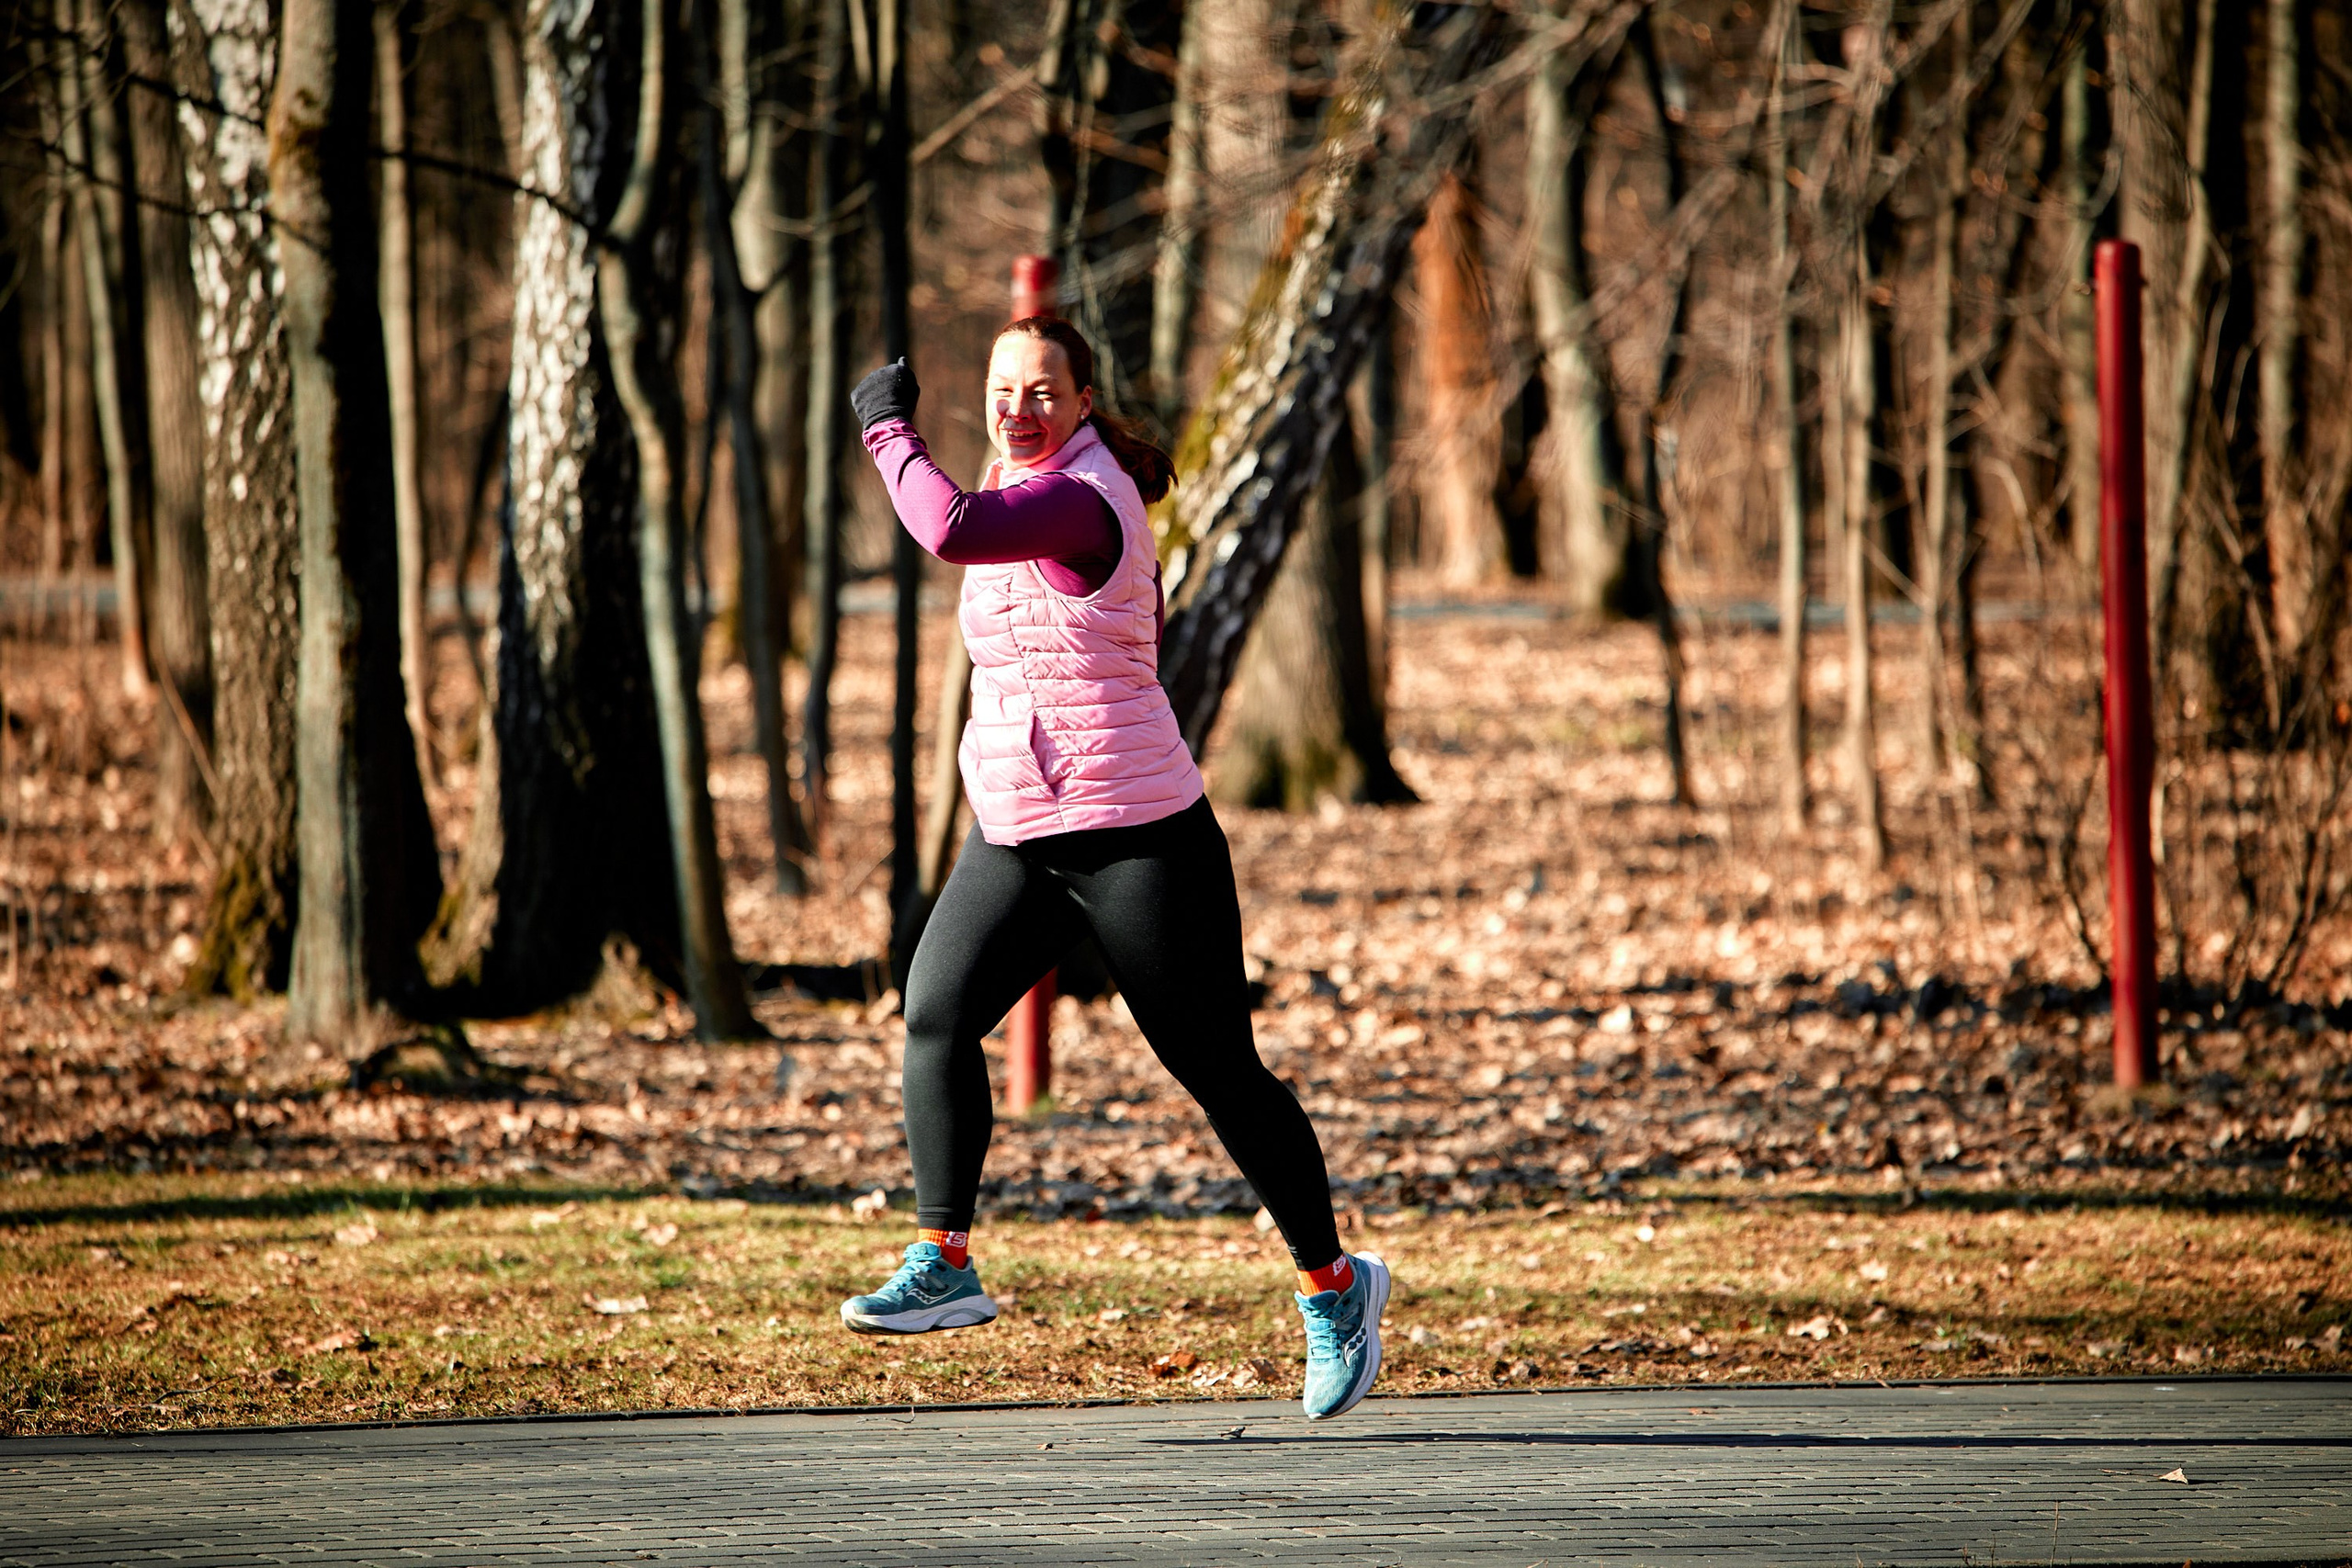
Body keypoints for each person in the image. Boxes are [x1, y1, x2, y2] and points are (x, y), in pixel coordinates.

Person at [836, 317, 1388, 1420]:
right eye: (1002, 390)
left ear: (1083, 402)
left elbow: (944, 527)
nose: (1018, 409)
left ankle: (1335, 1289)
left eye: (1043, 391)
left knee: (1218, 1070)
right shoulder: (1020, 486)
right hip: (1021, 828)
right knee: (934, 1012)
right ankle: (943, 1259)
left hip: (1138, 836)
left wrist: (886, 427)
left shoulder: (1081, 499)